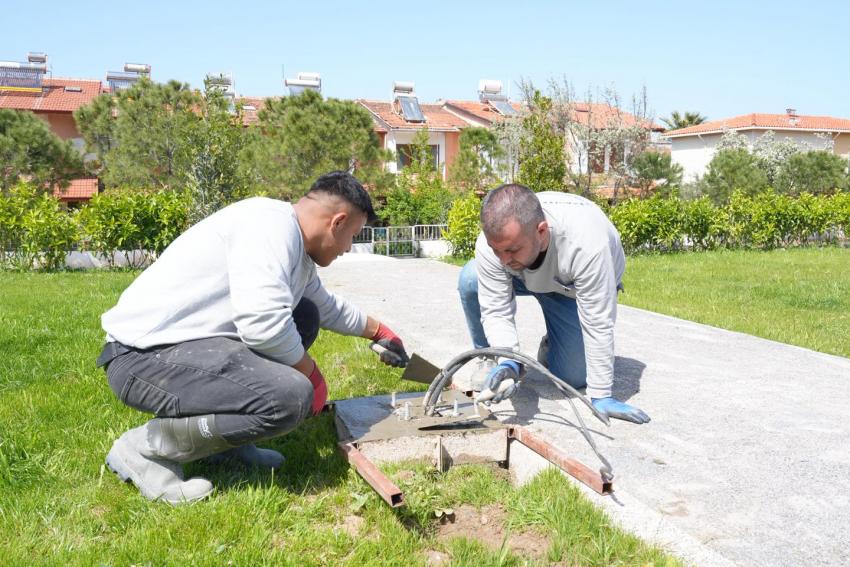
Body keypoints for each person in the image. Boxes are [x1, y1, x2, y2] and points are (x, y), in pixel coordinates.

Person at [97, 171, 409, 504]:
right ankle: (145, 449)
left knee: (305, 315)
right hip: (140, 359)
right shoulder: (269, 227)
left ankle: (223, 444)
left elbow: (325, 306)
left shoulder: (294, 245)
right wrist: (312, 376)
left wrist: (377, 331)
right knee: (290, 396)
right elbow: (263, 323)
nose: (349, 248)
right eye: (353, 236)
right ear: (338, 221)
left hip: (179, 349)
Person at [457, 183, 650, 424]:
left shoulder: (586, 242)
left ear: (541, 231)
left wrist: (601, 395)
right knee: (470, 277)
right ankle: (488, 358)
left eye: (512, 250)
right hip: (525, 276)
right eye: (497, 250)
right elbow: (496, 309)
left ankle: (554, 344)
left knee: (573, 377)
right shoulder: (496, 245)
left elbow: (598, 321)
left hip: (571, 290)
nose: (504, 259)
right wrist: (507, 361)